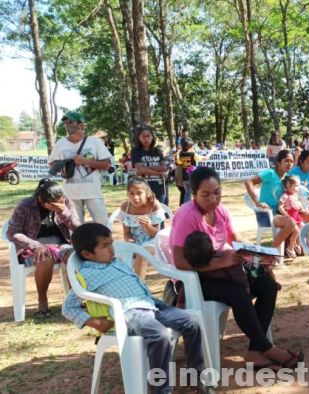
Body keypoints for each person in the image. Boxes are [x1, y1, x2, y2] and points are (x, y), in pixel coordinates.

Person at [171, 167, 304, 369]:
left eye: (217, 192)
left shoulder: (221, 210)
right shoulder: (187, 215)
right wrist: (219, 263)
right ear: (193, 193)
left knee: (267, 285)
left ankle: (254, 352)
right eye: (205, 194)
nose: (213, 199)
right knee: (238, 293)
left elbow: (235, 239)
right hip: (195, 278)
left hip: (225, 271)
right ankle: (268, 349)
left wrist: (259, 256)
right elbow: (179, 261)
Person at [62, 223, 208, 394]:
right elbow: (68, 307)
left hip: (151, 303)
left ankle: (195, 377)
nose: (111, 249)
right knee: (160, 335)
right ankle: (161, 390)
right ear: (87, 254)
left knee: (191, 322)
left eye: (111, 243)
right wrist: (95, 323)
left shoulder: (115, 262)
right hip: (131, 312)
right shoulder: (87, 275)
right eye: (104, 246)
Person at [7, 179, 79, 318]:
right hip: (33, 246)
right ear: (41, 200)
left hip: (62, 244)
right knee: (45, 259)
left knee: (74, 258)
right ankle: (42, 300)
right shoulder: (26, 205)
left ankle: (74, 300)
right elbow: (12, 233)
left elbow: (78, 227)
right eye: (54, 204)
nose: (60, 204)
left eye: (61, 200)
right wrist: (36, 245)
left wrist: (64, 212)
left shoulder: (65, 202)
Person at [48, 111, 112, 224]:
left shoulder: (94, 142)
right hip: (71, 194)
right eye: (65, 122)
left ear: (81, 125)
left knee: (103, 225)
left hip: (93, 192)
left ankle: (105, 242)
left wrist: (85, 161)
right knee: (76, 227)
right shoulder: (60, 143)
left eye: (71, 122)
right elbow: (52, 163)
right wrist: (63, 167)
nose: (67, 125)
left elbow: (106, 165)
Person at [245, 150, 304, 250]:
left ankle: (305, 246)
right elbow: (248, 181)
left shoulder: (287, 179)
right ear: (278, 162)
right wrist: (257, 202)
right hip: (265, 215)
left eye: (291, 161)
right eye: (286, 161)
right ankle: (271, 254)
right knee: (291, 223)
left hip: (280, 214)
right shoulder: (270, 173)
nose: (289, 164)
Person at [118, 176, 166, 279]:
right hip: (136, 241)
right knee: (120, 256)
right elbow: (127, 233)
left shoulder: (154, 205)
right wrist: (130, 241)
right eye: (131, 193)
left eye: (139, 193)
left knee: (142, 253)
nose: (135, 197)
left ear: (147, 193)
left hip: (153, 241)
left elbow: (156, 234)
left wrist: (147, 226)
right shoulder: (125, 207)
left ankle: (139, 287)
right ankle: (126, 285)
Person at [131, 125, 169, 205]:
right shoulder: (136, 151)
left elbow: (164, 168)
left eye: (148, 136)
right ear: (139, 138)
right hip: (144, 188)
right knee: (145, 213)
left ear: (152, 137)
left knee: (160, 213)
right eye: (143, 136)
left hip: (160, 188)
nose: (146, 139)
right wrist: (158, 173)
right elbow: (140, 170)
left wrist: (145, 168)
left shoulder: (158, 151)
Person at [278, 176, 306, 258]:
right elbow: (280, 206)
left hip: (296, 215)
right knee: (296, 230)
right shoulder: (285, 196)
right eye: (296, 185)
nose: (298, 188)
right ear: (288, 185)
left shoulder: (295, 195)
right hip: (290, 217)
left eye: (298, 185)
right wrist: (284, 214)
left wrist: (302, 208)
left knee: (302, 226)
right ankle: (290, 248)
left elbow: (298, 204)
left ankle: (297, 243)